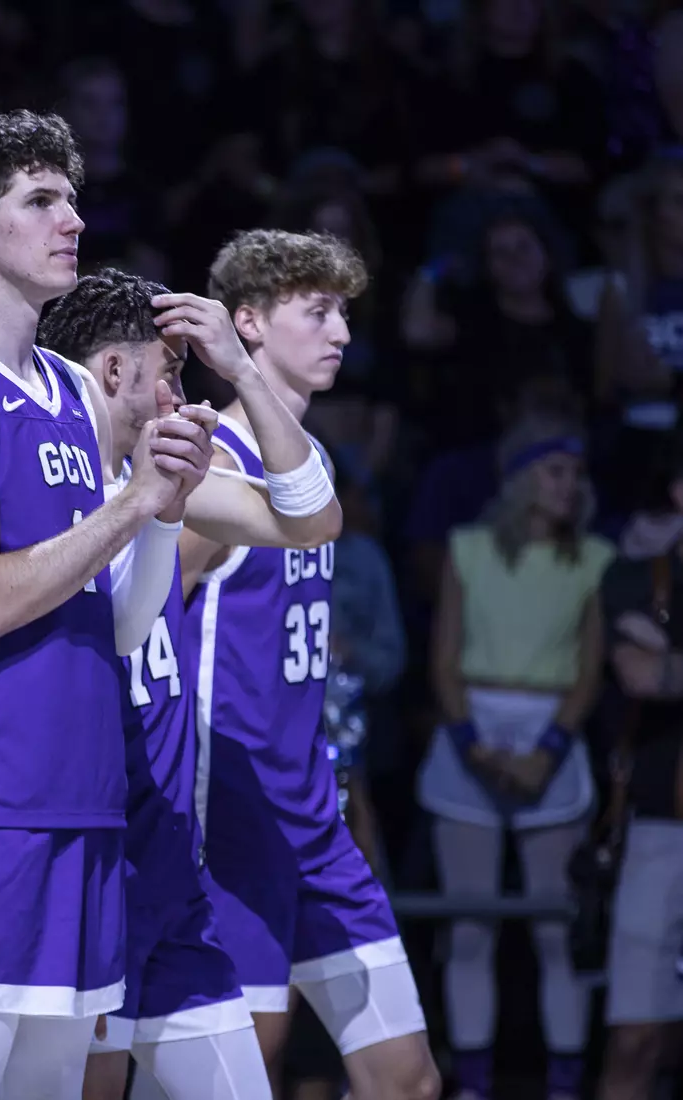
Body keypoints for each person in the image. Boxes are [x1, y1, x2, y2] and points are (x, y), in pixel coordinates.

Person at [0, 109, 212, 1099]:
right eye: (42, 201)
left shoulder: (71, 389)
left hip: (89, 806)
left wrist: (159, 514)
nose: (72, 221)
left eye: (74, 201)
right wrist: (138, 501)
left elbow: (123, 619)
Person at [37, 268, 343, 1100]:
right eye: (171, 369)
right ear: (111, 373)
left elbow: (314, 516)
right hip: (101, 868)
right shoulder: (46, 506)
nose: (182, 387)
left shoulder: (180, 483)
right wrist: (154, 506)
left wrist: (243, 369)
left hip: (175, 868)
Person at [177, 229, 440, 1100]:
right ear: (246, 324)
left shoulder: (313, 463)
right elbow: (139, 622)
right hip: (229, 812)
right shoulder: (209, 458)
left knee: (405, 1079)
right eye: (317, 311)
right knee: (255, 1066)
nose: (341, 334)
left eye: (345, 314)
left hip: (313, 811)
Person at [422, 414, 609, 1100]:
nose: (571, 485)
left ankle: (561, 1085)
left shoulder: (591, 559)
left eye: (578, 473)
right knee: (468, 927)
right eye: (557, 470)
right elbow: (442, 660)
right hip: (470, 730)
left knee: (555, 929)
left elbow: (590, 671)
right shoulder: (468, 549)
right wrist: (473, 745)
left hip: (550, 737)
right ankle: (471, 1084)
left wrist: (548, 750)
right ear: (523, 475)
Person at [598, 433, 683, 1100]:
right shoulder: (639, 576)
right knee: (635, 1041)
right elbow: (640, 673)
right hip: (661, 826)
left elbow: (665, 670)